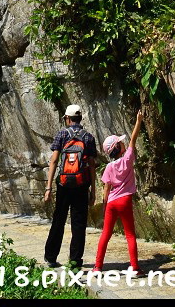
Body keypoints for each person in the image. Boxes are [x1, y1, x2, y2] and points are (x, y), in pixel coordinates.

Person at [91, 109, 147, 276]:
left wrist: (105, 205)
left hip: (112, 203)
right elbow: (133, 139)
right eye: (121, 142)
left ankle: (97, 267)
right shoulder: (128, 159)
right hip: (124, 201)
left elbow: (106, 188)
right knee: (130, 234)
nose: (124, 143)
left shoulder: (108, 167)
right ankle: (135, 268)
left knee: (106, 234)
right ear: (118, 147)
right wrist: (138, 121)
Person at [43, 104, 97, 269]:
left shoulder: (62, 134)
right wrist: (93, 191)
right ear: (80, 118)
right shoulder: (88, 137)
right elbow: (92, 165)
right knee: (79, 223)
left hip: (63, 185)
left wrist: (48, 187)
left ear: (67, 118)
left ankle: (51, 257)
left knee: (59, 219)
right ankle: (75, 261)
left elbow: (53, 161)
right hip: (81, 185)